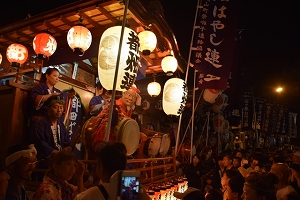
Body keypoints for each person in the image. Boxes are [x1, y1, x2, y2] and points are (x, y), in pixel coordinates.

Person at [91, 85, 144, 150]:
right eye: (129, 95)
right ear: (123, 94)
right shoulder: (116, 106)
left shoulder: (129, 109)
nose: (130, 99)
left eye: (133, 97)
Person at [31, 95, 72, 163]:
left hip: (59, 159)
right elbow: (39, 142)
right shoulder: (40, 124)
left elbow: (66, 140)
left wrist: (67, 147)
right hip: (45, 160)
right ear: (48, 108)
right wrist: (53, 152)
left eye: (61, 107)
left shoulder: (61, 125)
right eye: (55, 107)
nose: (59, 110)